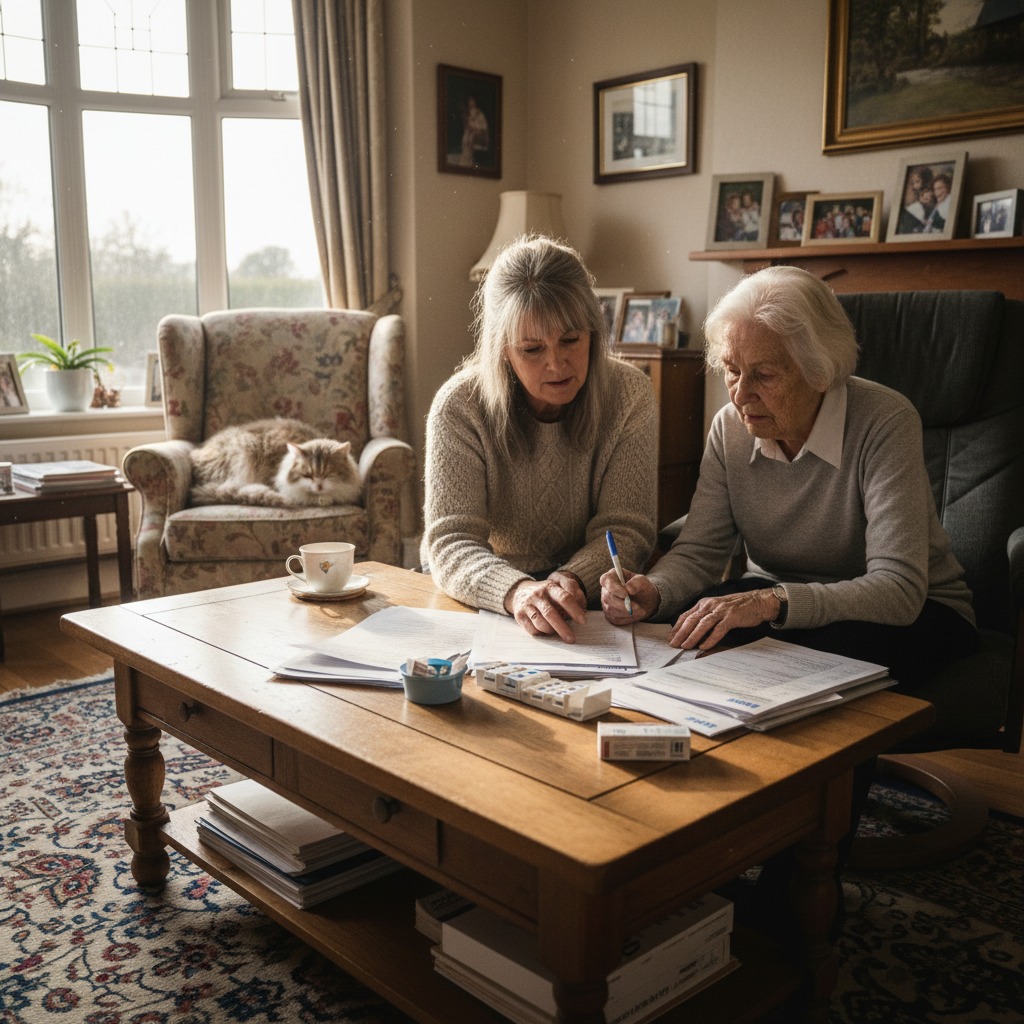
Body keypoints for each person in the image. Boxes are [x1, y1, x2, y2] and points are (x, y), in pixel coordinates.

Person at [600, 265, 978, 695]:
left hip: (915, 611)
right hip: (780, 603)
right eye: (731, 369)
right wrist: (654, 590)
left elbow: (899, 589)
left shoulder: (885, 421)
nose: (741, 395)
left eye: (763, 375)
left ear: (820, 370)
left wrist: (773, 601)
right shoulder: (731, 428)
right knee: (686, 629)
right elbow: (700, 550)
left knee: (824, 661)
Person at [421, 234, 658, 642]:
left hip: (582, 602)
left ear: (593, 332)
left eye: (570, 340)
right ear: (503, 351)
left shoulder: (630, 395)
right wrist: (519, 591)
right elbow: (451, 539)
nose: (556, 363)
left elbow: (627, 529)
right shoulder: (458, 406)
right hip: (486, 596)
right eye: (532, 349)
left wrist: (567, 581)